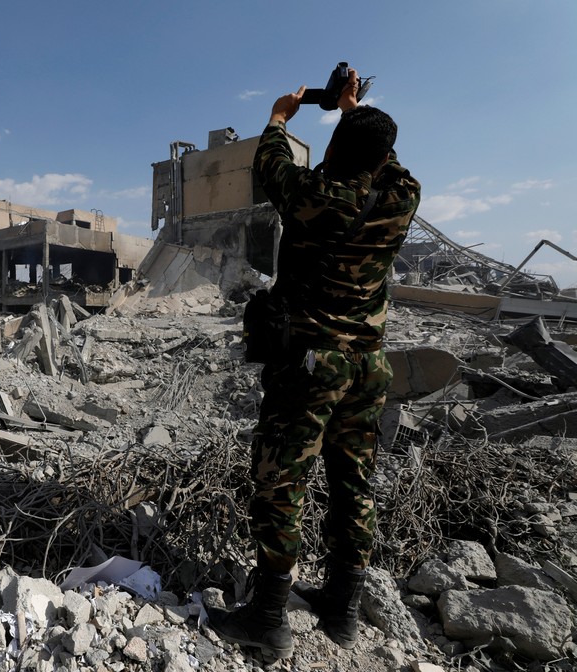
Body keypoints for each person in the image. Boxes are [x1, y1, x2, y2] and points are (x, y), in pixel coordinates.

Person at [208, 70, 421, 659]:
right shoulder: (403, 195)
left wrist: (281, 114)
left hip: (309, 368)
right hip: (368, 368)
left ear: (334, 149)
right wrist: (351, 109)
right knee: (355, 484)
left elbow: (269, 160)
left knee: (282, 484)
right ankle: (343, 608)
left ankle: (269, 618)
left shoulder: (313, 198)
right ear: (383, 157)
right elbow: (381, 156)